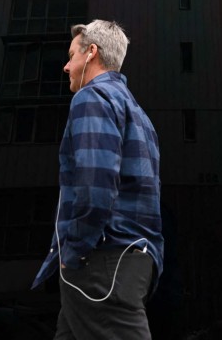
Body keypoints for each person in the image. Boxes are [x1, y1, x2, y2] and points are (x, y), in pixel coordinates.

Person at [32, 20, 163, 340]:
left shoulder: (92, 98)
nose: (65, 66)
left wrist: (73, 250)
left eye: (71, 55)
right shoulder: (137, 113)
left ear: (91, 53)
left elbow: (96, 186)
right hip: (126, 259)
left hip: (102, 259)